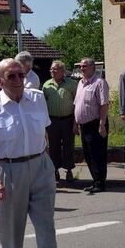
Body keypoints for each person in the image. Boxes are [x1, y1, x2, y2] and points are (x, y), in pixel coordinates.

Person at [0, 58, 56, 248]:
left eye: (21, 75)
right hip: (9, 171)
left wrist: (48, 165)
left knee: (46, 226)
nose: (18, 80)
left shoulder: (37, 98)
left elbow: (44, 134)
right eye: (11, 76)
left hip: (41, 167)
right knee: (11, 233)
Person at [75, 57, 110, 193]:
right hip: (84, 125)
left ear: (93, 68)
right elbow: (77, 105)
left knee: (97, 155)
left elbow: (104, 104)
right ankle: (95, 181)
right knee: (88, 154)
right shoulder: (80, 83)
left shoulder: (99, 83)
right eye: (81, 66)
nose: (82, 68)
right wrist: (75, 124)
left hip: (96, 124)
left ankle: (100, 183)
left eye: (85, 66)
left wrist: (102, 124)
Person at [42, 60, 78, 182]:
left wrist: (75, 123)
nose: (52, 71)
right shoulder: (46, 85)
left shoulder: (72, 84)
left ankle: (69, 170)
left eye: (55, 69)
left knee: (69, 146)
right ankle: (55, 170)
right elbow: (44, 104)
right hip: (52, 121)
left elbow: (76, 103)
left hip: (68, 120)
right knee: (53, 147)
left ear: (63, 71)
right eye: (51, 69)